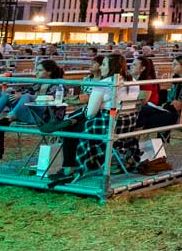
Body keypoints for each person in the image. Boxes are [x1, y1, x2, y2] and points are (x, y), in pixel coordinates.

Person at [48, 53, 142, 185]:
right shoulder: (133, 81)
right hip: (126, 125)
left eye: (104, 64)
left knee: (70, 128)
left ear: (112, 67)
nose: (101, 68)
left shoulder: (104, 84)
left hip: (106, 126)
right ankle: (79, 163)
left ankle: (69, 169)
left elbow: (91, 113)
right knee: (76, 121)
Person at [0, 59, 66, 125]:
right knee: (7, 96)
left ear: (49, 72)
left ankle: (8, 118)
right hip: (31, 110)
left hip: (47, 115)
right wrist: (13, 92)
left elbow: (53, 98)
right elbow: (25, 93)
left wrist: (26, 96)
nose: (36, 72)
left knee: (26, 96)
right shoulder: (38, 83)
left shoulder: (59, 83)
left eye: (40, 70)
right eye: (36, 70)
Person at [138, 55, 182, 131]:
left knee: (143, 114)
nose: (172, 67)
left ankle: (134, 137)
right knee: (143, 111)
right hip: (173, 113)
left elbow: (178, 105)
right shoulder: (179, 80)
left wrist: (164, 106)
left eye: (175, 64)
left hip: (180, 117)